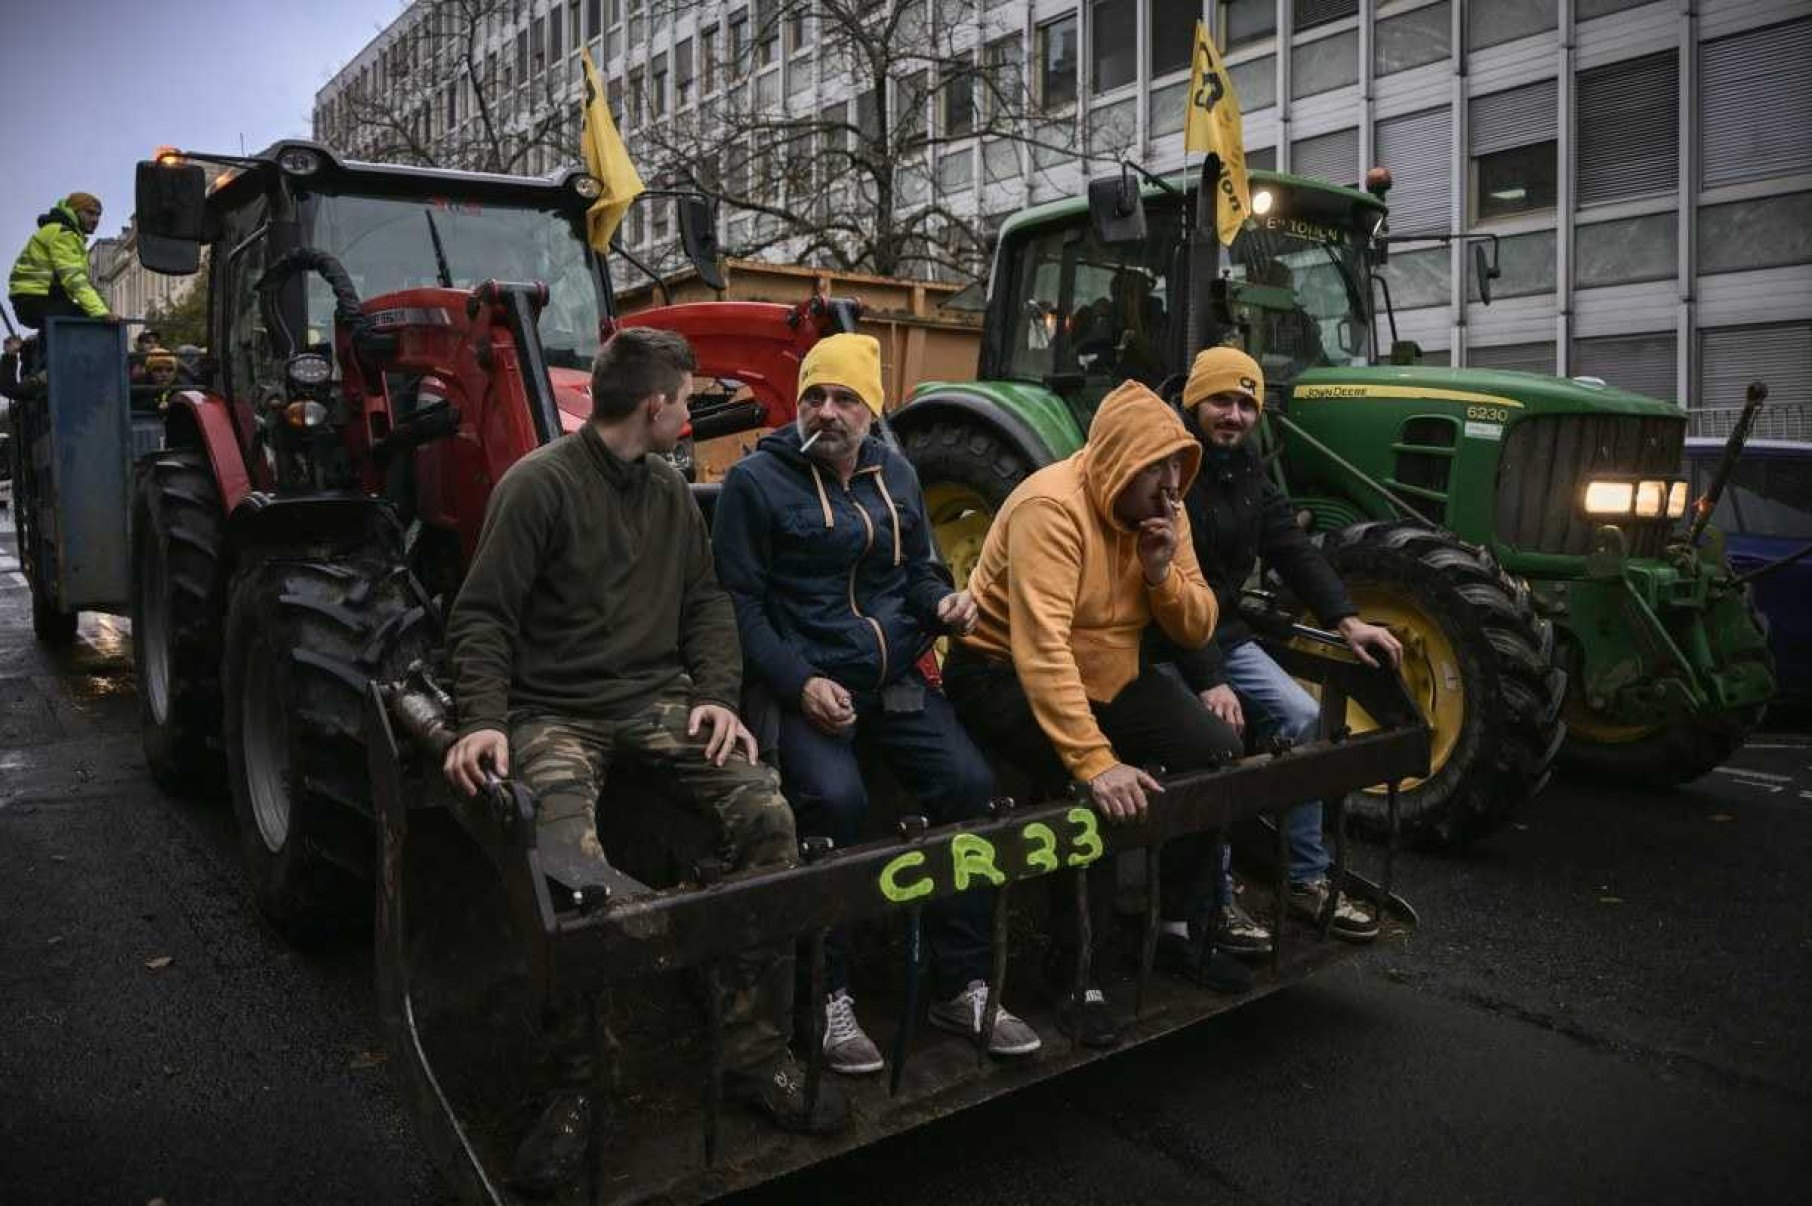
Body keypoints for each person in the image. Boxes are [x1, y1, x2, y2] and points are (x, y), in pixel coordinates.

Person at [443, 326, 849, 1193]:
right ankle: (581, 1085)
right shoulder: (539, 487)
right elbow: (482, 616)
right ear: (657, 404)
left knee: (766, 815)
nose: (693, 411)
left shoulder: (669, 493)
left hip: (655, 700)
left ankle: (752, 1049)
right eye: (688, 397)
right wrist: (479, 721)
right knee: (564, 864)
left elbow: (707, 603)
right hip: (553, 712)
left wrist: (714, 696)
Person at [712, 333, 1041, 1075]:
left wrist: (945, 604)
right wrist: (799, 684)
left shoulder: (896, 472)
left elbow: (916, 574)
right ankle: (826, 997)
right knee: (834, 799)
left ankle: (959, 984)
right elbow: (740, 608)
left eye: (844, 399)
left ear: (873, 408)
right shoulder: (755, 484)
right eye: (813, 398)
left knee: (970, 786)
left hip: (893, 681)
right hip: (806, 683)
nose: (826, 412)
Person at [941, 378, 1251, 1049]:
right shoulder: (1050, 507)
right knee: (1091, 798)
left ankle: (1174, 928)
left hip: (1108, 669)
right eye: (1157, 467)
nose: (1173, 482)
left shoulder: (1169, 508)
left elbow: (1198, 630)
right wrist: (1096, 761)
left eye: (1178, 463)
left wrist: (1162, 572)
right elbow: (1041, 646)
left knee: (1215, 752)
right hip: (999, 669)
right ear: (1118, 463)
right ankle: (1079, 974)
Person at [1164, 346, 1402, 949]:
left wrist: (1347, 620)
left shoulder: (1246, 470)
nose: (1235, 416)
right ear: (1195, 403)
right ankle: (1213, 897)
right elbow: (1164, 596)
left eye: (1247, 404)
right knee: (1218, 742)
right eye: (1222, 401)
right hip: (1166, 639)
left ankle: (1304, 877)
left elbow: (1291, 550)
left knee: (1302, 719)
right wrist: (1211, 678)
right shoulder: (1170, 469)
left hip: (1223, 632)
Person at [7, 193, 118, 330]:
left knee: (83, 314)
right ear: (74, 212)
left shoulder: (62, 232)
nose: (95, 219)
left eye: (98, 215)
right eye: (90, 213)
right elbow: (74, 279)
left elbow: (85, 281)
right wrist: (101, 312)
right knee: (92, 323)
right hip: (36, 299)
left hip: (33, 298)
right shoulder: (63, 234)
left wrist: (104, 309)